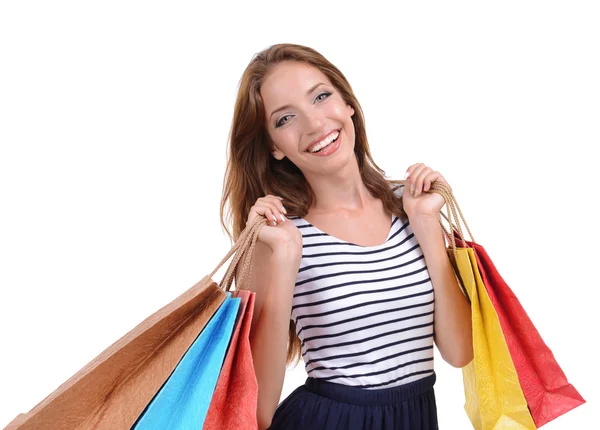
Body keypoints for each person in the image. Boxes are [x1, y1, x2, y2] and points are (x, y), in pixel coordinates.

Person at [220, 43, 473, 430]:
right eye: (285, 119)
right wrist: (286, 258)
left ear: (347, 102)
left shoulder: (412, 207)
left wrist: (426, 230)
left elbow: (459, 351)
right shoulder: (276, 238)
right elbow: (256, 412)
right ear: (274, 147)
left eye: (321, 97)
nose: (315, 124)